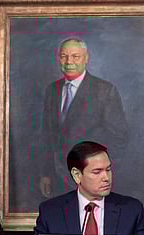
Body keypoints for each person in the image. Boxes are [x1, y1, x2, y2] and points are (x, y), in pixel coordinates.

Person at [23, 141, 144, 235]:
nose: (106, 178)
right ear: (77, 175)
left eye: (108, 169)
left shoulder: (131, 209)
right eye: (97, 172)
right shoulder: (51, 211)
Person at [39, 37, 128, 199]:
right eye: (64, 56)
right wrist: (46, 173)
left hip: (91, 180)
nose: (69, 61)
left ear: (86, 58)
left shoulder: (105, 91)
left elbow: (119, 138)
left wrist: (100, 173)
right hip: (58, 180)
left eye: (75, 56)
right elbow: (47, 136)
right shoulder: (52, 90)